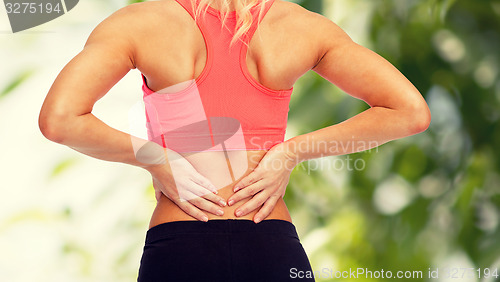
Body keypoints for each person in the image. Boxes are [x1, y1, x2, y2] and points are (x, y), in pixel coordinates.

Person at [38, 0, 431, 281]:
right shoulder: (300, 25)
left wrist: (158, 158)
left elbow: (60, 120)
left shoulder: (142, 22)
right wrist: (289, 153)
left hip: (181, 243)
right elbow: (409, 112)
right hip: (270, 242)